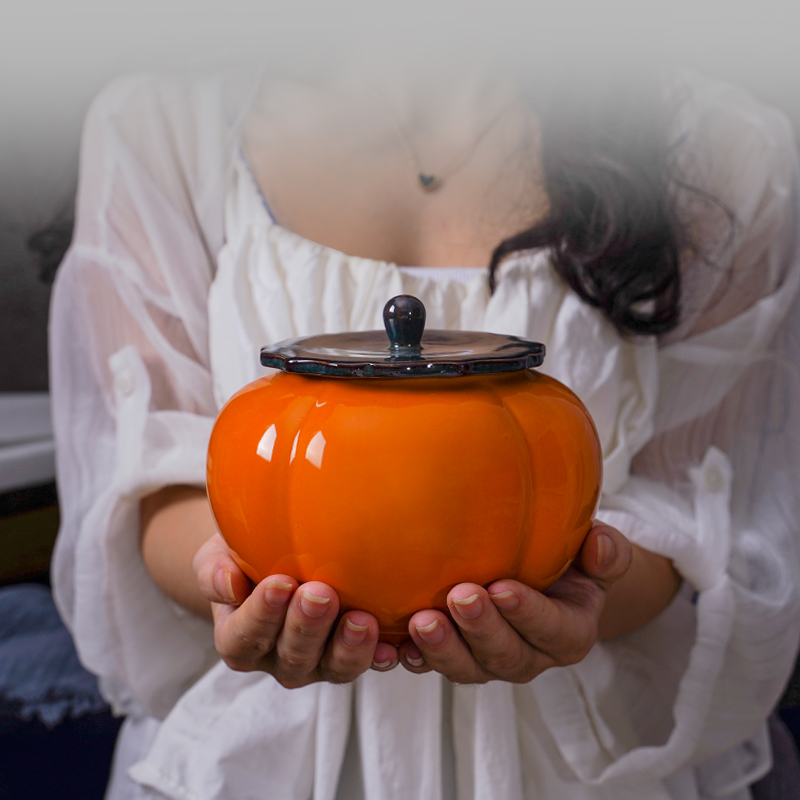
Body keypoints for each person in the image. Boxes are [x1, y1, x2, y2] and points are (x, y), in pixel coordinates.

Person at [49, 50, 800, 800]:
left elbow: (696, 514)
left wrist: (576, 598)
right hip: (261, 760)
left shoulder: (722, 152)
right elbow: (154, 478)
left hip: (588, 760)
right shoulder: (165, 123)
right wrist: (244, 584)